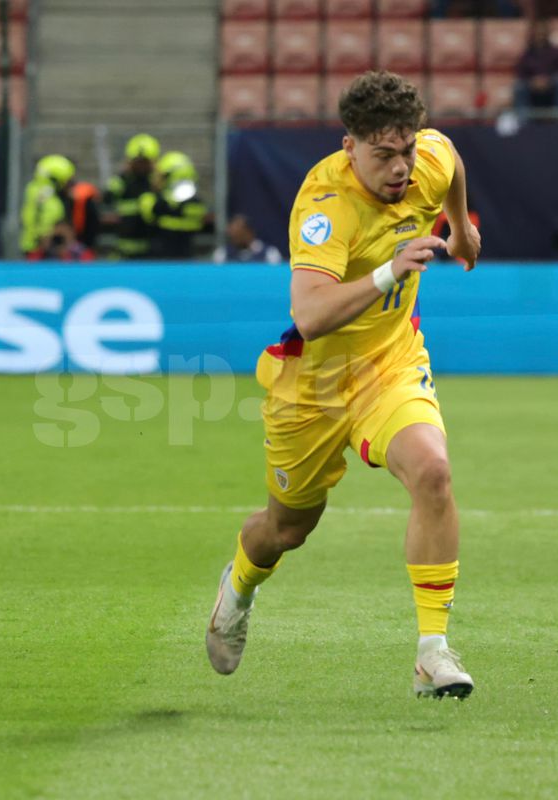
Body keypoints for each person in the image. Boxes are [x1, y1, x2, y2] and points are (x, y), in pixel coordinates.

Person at [204, 71, 482, 700]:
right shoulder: (325, 206)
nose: (401, 168)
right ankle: (239, 587)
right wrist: (388, 271)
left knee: (433, 472)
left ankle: (432, 653)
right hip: (314, 385)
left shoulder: (426, 161)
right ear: (349, 145)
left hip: (390, 363)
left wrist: (460, 229)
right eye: (383, 155)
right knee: (287, 528)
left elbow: (451, 158)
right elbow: (309, 312)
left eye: (406, 150)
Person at [139, 151, 209, 260]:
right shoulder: (194, 202)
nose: (157, 179)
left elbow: (150, 212)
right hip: (172, 258)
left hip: (167, 258)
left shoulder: (162, 202)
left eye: (163, 176)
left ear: (172, 176)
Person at [103, 133, 161, 260]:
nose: (141, 166)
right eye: (137, 162)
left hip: (153, 249)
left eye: (145, 162)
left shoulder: (157, 182)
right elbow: (106, 198)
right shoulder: (121, 181)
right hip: (124, 249)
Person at [513, 19, 558, 118]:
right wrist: (533, 81)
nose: (540, 34)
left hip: (553, 85)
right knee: (519, 86)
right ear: (533, 34)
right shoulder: (527, 54)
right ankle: (523, 123)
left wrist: (549, 80)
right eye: (538, 31)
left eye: (543, 31)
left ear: (548, 33)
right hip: (533, 87)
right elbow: (521, 74)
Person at [20, 154, 75, 257]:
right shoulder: (44, 196)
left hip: (43, 247)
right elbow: (40, 225)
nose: (68, 185)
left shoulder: (38, 191)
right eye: (66, 181)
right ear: (55, 179)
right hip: (39, 250)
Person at [212, 214, 282, 264]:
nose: (236, 238)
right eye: (233, 235)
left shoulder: (269, 253)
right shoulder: (222, 254)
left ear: (250, 232)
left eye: (240, 235)